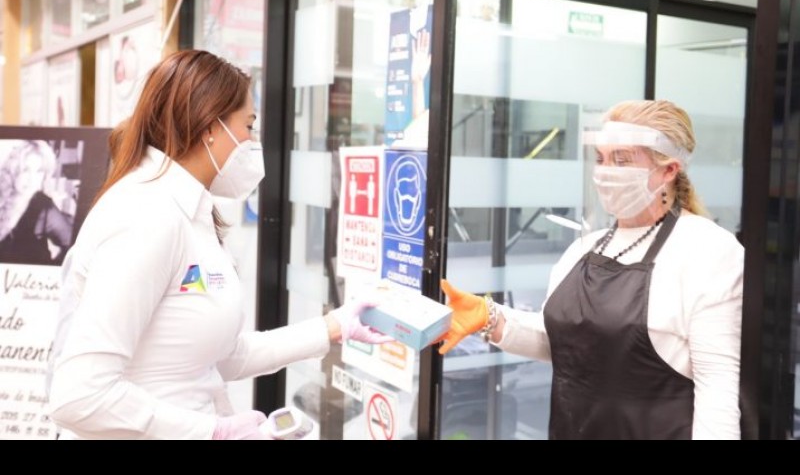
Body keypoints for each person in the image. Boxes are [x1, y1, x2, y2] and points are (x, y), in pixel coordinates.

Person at [47, 50, 391, 440]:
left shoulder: (189, 212)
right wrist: (214, 432)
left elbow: (221, 355)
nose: (253, 142)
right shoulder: (147, 216)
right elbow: (79, 395)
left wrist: (335, 326)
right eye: (249, 125)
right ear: (211, 126)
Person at [439, 99, 744, 440]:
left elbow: (718, 389)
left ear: (669, 170)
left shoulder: (709, 252)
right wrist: (489, 317)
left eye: (622, 159)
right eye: (600, 158)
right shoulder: (585, 249)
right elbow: (565, 343)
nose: (605, 172)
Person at [0, 140, 74, 265]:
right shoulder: (3, 196)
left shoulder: (44, 206)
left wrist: (54, 268)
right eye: (26, 170)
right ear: (14, 170)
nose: (31, 179)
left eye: (39, 171)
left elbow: (74, 244)